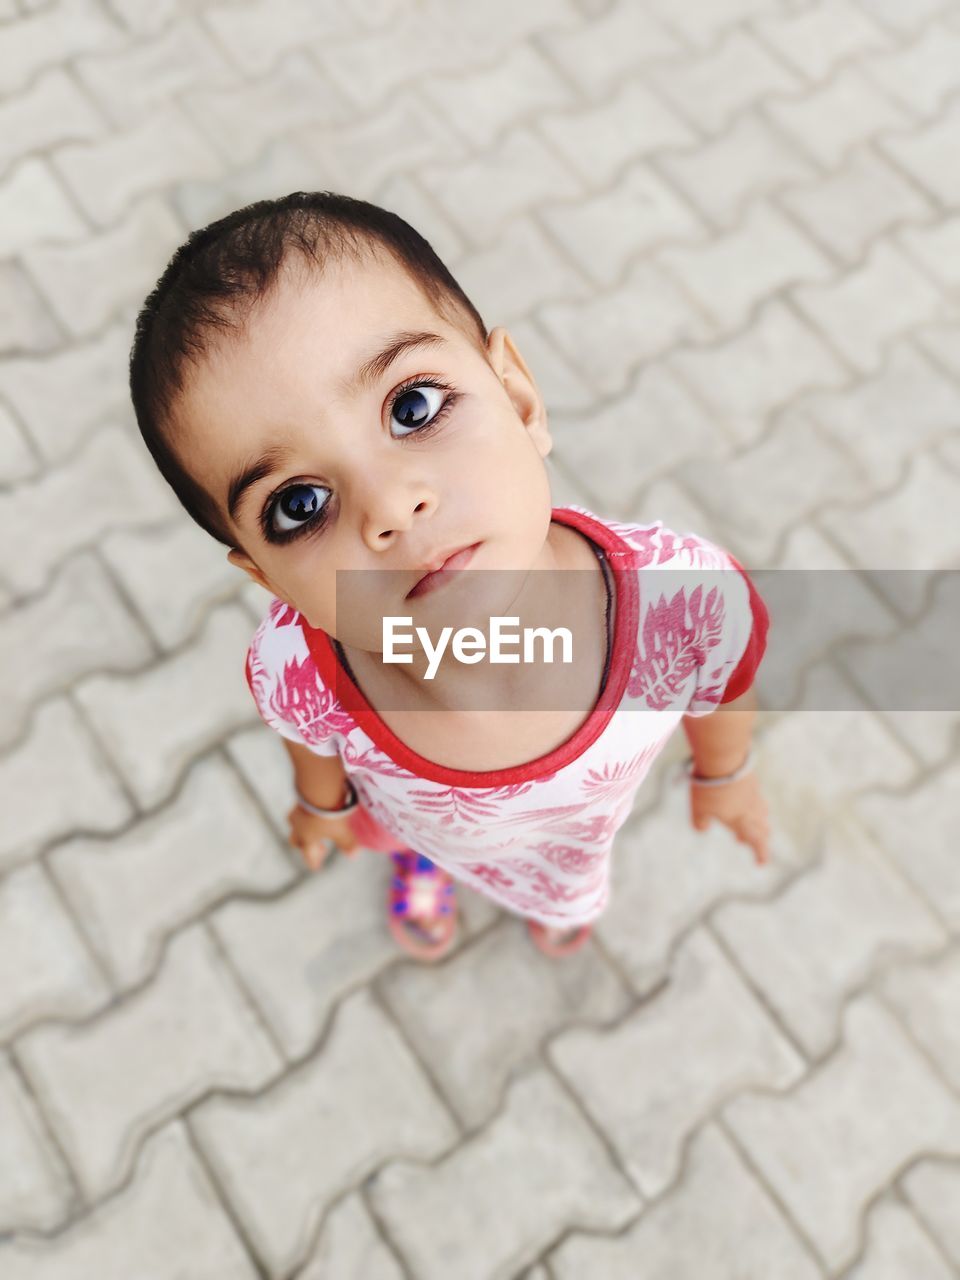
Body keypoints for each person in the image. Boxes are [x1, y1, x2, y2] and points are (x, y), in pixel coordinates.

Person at [129, 191, 771, 963]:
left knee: (569, 873)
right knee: (411, 832)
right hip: (415, 817)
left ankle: (559, 897)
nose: (391, 506)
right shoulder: (297, 667)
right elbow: (310, 742)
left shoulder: (683, 599)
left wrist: (723, 774)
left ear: (519, 396)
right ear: (269, 580)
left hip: (574, 835)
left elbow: (725, 683)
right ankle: (424, 866)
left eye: (413, 406)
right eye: (299, 505)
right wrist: (320, 805)